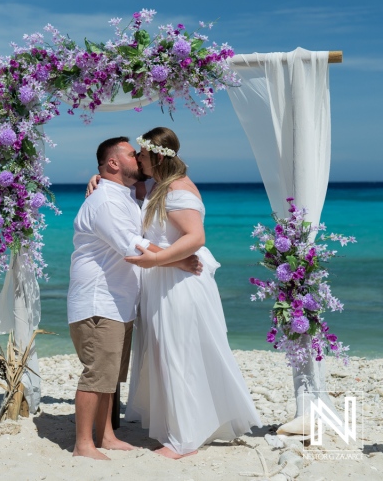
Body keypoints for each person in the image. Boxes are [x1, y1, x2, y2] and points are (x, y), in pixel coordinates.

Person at [122, 126, 261, 459]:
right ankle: (187, 425)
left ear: (155, 155)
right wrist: (96, 181)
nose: (137, 158)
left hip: (179, 287)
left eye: (141, 153)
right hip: (165, 283)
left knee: (178, 355)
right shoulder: (157, 186)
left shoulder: (178, 190)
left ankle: (183, 441)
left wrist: (157, 260)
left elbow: (195, 237)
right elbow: (131, 191)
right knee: (166, 353)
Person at [67, 137, 201, 460]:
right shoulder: (105, 202)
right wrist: (179, 260)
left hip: (119, 301)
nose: (139, 159)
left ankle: (108, 436)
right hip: (99, 301)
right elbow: (133, 246)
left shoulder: (126, 195)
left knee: (111, 375)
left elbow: (146, 212)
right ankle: (83, 444)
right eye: (132, 154)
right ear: (113, 163)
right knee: (97, 373)